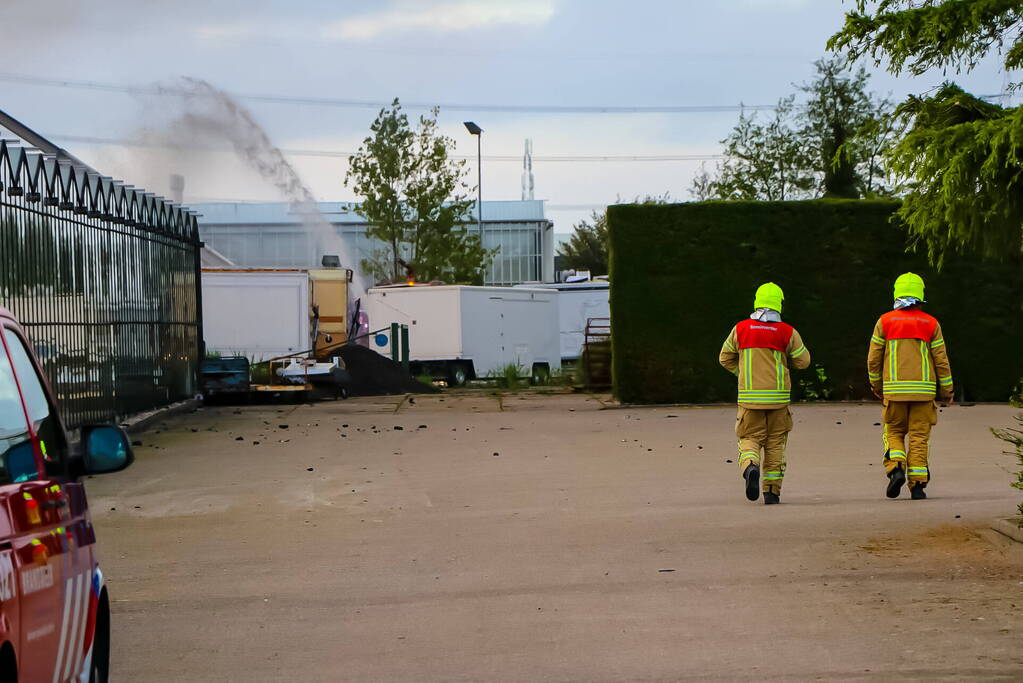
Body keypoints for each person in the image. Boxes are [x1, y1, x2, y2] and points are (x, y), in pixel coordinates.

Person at [719, 283, 811, 504]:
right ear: (779, 304)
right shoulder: (787, 332)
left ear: (757, 302)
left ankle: (750, 466)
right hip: (778, 400)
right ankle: (771, 492)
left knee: (749, 439)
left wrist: (742, 373)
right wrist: (784, 364)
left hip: (750, 400)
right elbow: (804, 361)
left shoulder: (740, 329)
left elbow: (724, 358)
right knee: (775, 444)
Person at [867, 273, 953, 500]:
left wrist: (876, 385)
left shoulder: (885, 321)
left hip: (894, 392)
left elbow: (873, 358)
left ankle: (896, 468)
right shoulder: (931, 323)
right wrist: (947, 391)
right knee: (919, 437)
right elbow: (941, 360)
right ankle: (918, 487)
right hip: (924, 394)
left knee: (893, 431)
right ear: (920, 295)